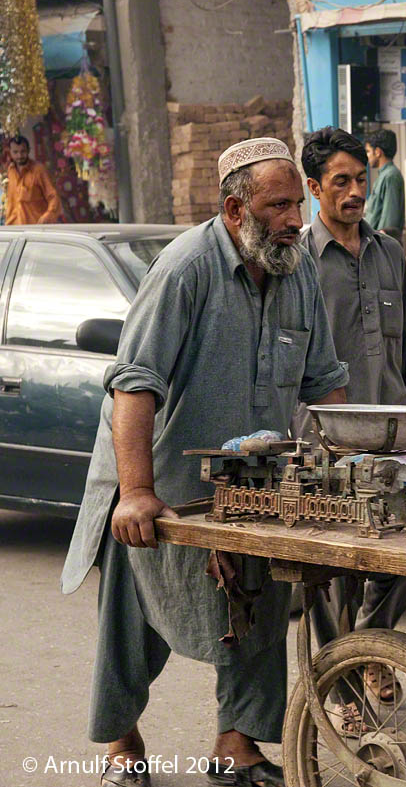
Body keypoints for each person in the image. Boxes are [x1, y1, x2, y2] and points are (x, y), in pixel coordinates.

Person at [60, 137, 348, 787]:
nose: (295, 218)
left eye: (297, 203)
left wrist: (341, 470)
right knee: (134, 623)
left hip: (252, 487)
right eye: (278, 205)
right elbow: (133, 386)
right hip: (160, 479)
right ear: (234, 209)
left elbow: (326, 383)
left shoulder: (295, 267)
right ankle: (123, 745)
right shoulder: (184, 268)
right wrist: (135, 490)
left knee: (259, 610)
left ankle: (235, 746)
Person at [299, 127, 406, 730]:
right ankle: (344, 690)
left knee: (405, 556)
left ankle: (371, 647)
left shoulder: (390, 252)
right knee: (328, 577)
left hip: (390, 437)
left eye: (359, 180)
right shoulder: (296, 261)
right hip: (321, 439)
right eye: (339, 182)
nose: (353, 193)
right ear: (314, 187)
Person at [4, 134, 61, 225]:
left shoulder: (38, 170)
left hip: (35, 228)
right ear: (10, 152)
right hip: (14, 227)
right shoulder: (11, 170)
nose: (19, 155)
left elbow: (53, 196)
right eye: (15, 152)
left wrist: (48, 215)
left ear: (28, 150)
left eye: (23, 151)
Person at [363, 128, 405, 250]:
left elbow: (389, 221)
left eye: (368, 151)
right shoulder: (383, 176)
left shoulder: (390, 176)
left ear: (378, 152)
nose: (367, 156)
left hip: (382, 246)